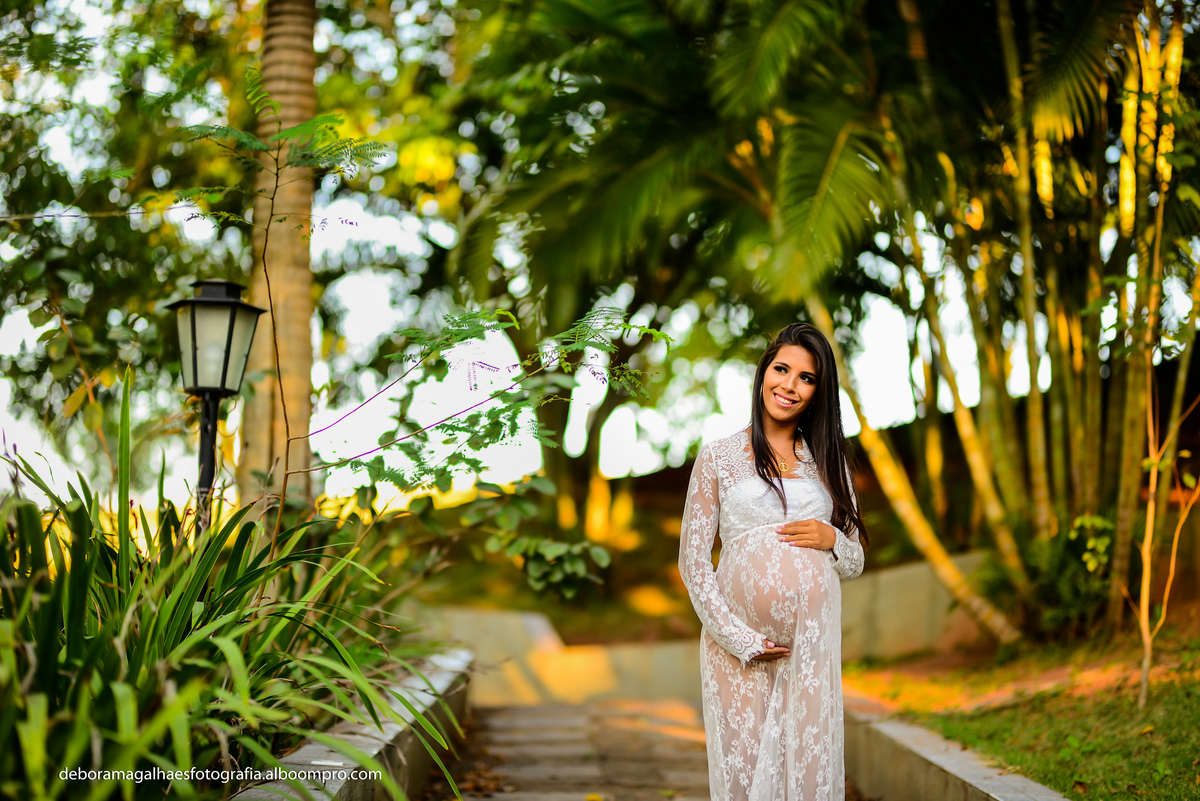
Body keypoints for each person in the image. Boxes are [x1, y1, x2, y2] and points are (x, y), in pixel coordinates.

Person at [678, 322, 867, 801]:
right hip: (737, 649)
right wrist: (739, 638)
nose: (790, 385)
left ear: (818, 392)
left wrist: (831, 538)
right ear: (763, 374)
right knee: (743, 774)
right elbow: (693, 563)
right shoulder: (719, 458)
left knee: (806, 770)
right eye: (781, 369)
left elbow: (855, 559)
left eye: (806, 378)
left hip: (811, 647)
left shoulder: (830, 460)